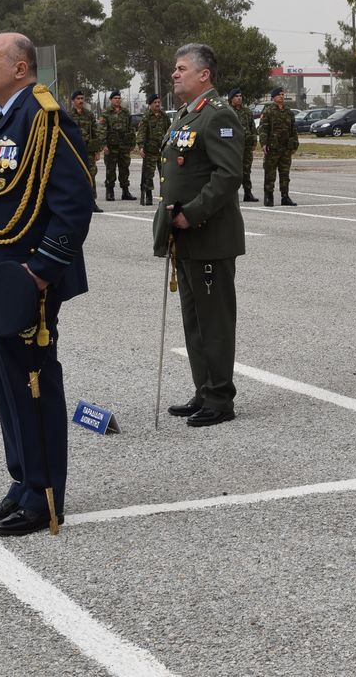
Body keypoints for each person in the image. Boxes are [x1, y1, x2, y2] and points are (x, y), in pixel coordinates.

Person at [0, 32, 93, 535]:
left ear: (21, 68)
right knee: (7, 385)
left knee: (33, 384)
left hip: (24, 282)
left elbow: (74, 202)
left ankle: (44, 495)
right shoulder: (1, 117)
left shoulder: (44, 116)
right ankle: (22, 478)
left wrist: (41, 271)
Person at [155, 44, 245, 428]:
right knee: (194, 320)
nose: (174, 75)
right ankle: (203, 389)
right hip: (185, 236)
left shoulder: (217, 116)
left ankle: (220, 398)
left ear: (203, 74)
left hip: (208, 235)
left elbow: (227, 176)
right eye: (175, 69)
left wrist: (190, 215)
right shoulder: (185, 117)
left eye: (181, 69)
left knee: (214, 321)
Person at [258, 87, 298, 206]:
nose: (281, 96)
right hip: (273, 148)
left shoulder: (288, 111)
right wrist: (264, 144)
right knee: (270, 173)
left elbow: (293, 129)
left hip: (286, 148)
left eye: (282, 94)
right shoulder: (268, 111)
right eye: (279, 94)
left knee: (285, 173)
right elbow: (263, 129)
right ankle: (269, 196)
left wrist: (294, 143)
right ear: (274, 97)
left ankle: (285, 196)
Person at [68, 91, 103, 213]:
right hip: (73, 151)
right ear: (73, 100)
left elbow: (95, 132)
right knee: (73, 176)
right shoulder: (67, 115)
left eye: (82, 98)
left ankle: (92, 202)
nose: (81, 101)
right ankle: (74, 203)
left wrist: (97, 150)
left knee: (90, 175)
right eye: (78, 98)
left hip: (88, 150)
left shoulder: (89, 115)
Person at [134, 93, 171, 206]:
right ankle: (148, 195)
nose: (157, 104)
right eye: (155, 102)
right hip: (150, 151)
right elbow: (141, 133)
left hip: (162, 150)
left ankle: (164, 196)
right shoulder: (146, 117)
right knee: (148, 175)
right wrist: (141, 147)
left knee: (165, 174)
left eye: (159, 102)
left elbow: (169, 130)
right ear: (150, 104)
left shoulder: (164, 116)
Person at [101, 90, 136, 201]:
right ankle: (110, 192)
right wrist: (104, 145)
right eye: (115, 98)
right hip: (111, 146)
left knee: (124, 169)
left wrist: (132, 143)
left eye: (119, 98)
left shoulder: (126, 112)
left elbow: (131, 128)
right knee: (110, 169)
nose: (117, 100)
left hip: (124, 145)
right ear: (111, 100)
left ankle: (125, 192)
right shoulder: (106, 113)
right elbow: (102, 130)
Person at [228, 89, 259, 202]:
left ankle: (248, 193)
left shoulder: (247, 111)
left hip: (246, 145)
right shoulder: (227, 111)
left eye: (240, 96)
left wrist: (254, 141)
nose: (239, 98)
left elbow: (252, 127)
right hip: (233, 146)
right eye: (236, 96)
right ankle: (232, 195)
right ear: (231, 99)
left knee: (246, 170)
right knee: (233, 170)